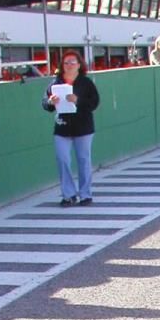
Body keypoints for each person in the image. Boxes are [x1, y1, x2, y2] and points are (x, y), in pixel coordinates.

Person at [42, 49, 101, 206]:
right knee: (62, 159)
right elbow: (45, 103)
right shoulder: (55, 83)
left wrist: (77, 100)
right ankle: (68, 194)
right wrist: (50, 102)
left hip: (83, 127)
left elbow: (94, 103)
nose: (69, 65)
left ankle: (85, 194)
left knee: (83, 160)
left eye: (72, 62)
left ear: (79, 65)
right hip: (62, 128)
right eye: (66, 63)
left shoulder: (86, 83)